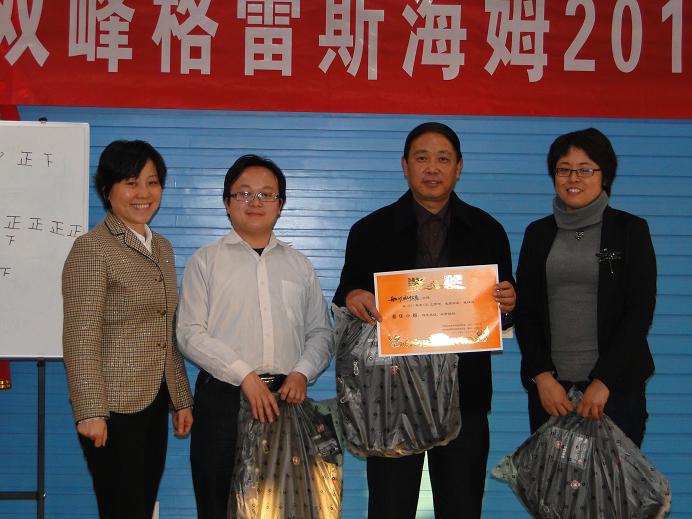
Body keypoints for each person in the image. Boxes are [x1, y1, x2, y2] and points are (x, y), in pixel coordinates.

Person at [333, 122, 516, 519]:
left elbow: (503, 314)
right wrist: (352, 297)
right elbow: (345, 297)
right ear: (405, 165)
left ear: (459, 167)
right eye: (422, 158)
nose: (432, 168)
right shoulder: (369, 231)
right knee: (390, 508)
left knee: (462, 508)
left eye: (443, 159)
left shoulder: (487, 230)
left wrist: (509, 303)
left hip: (465, 395)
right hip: (390, 396)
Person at [176, 154, 333, 519]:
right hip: (223, 400)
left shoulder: (299, 265)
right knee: (218, 505)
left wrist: (302, 372)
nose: (255, 202)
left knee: (286, 507)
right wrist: (243, 374)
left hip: (285, 399)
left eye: (266, 194)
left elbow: (321, 332)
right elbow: (188, 333)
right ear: (227, 202)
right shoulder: (205, 261)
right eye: (244, 193)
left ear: (280, 205)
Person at [62, 140, 194, 519]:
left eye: (152, 182)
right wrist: (90, 411)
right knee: (121, 508)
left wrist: (180, 399)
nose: (143, 193)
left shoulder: (162, 247)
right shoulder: (92, 248)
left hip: (153, 400)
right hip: (111, 408)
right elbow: (80, 337)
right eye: (131, 182)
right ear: (108, 189)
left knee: (141, 505)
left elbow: (165, 328)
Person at [515, 128, 656, 447]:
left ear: (605, 175)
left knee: (614, 480)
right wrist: (542, 377)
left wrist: (605, 381)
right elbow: (527, 311)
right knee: (552, 481)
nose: (573, 178)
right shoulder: (537, 233)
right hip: (553, 394)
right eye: (563, 170)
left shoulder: (630, 230)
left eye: (585, 169)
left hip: (614, 392)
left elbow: (639, 312)